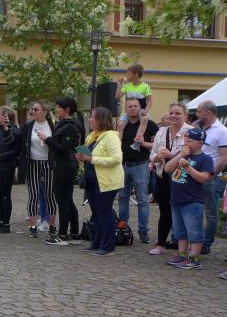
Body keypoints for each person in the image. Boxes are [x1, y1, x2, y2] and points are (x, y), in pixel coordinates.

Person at [164, 128, 214, 270]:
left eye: (190, 141)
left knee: (194, 231)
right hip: (176, 199)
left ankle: (194, 258)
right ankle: (182, 254)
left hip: (192, 201)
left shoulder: (205, 159)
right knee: (180, 231)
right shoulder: (182, 154)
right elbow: (167, 168)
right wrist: (180, 155)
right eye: (185, 140)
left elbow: (204, 178)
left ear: (200, 143)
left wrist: (188, 167)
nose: (186, 143)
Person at [76, 108, 123, 256]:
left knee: (104, 212)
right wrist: (82, 157)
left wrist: (92, 159)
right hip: (92, 179)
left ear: (100, 120)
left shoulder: (110, 137)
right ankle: (97, 242)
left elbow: (117, 159)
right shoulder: (92, 136)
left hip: (106, 181)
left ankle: (107, 246)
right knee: (96, 213)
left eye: (92, 117)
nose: (89, 120)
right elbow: (90, 157)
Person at [149, 103, 192, 255]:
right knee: (164, 210)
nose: (173, 116)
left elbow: (194, 154)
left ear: (185, 115)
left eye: (178, 113)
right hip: (162, 175)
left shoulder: (191, 132)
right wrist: (157, 157)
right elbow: (152, 154)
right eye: (171, 113)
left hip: (182, 177)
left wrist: (172, 155)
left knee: (183, 211)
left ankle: (185, 246)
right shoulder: (161, 131)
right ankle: (161, 244)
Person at [41, 98, 84, 245]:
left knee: (63, 200)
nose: (56, 109)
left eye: (59, 107)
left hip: (66, 166)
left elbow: (64, 148)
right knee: (67, 199)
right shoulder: (64, 124)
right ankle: (74, 234)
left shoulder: (71, 126)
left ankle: (63, 235)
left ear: (67, 109)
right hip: (62, 165)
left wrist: (47, 139)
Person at [117, 98, 158, 244]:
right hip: (123, 165)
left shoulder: (149, 124)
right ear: (126, 109)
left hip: (140, 165)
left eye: (135, 106)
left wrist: (143, 143)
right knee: (122, 198)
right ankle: (123, 229)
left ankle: (143, 231)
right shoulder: (122, 124)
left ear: (140, 108)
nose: (133, 108)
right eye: (130, 106)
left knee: (142, 200)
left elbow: (157, 145)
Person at [195, 100, 227, 254]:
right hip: (196, 176)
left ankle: (206, 243)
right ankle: (196, 240)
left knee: (210, 213)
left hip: (212, 178)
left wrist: (210, 175)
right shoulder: (200, 128)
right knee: (196, 210)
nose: (197, 114)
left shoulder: (222, 131)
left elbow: (224, 158)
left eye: (199, 111)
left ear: (208, 112)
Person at [21, 102, 57, 238]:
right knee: (33, 195)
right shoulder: (29, 126)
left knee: (50, 195)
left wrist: (48, 139)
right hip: (33, 163)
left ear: (44, 112)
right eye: (32, 109)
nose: (33, 111)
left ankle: (52, 226)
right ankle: (33, 227)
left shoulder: (53, 125)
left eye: (36, 109)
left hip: (49, 163)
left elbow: (58, 144)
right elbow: (18, 138)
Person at [0, 106, 21, 233]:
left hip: (6, 167)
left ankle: (6, 224)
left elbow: (15, 151)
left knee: (5, 195)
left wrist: (1, 156)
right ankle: (1, 221)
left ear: (6, 117)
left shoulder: (14, 131)